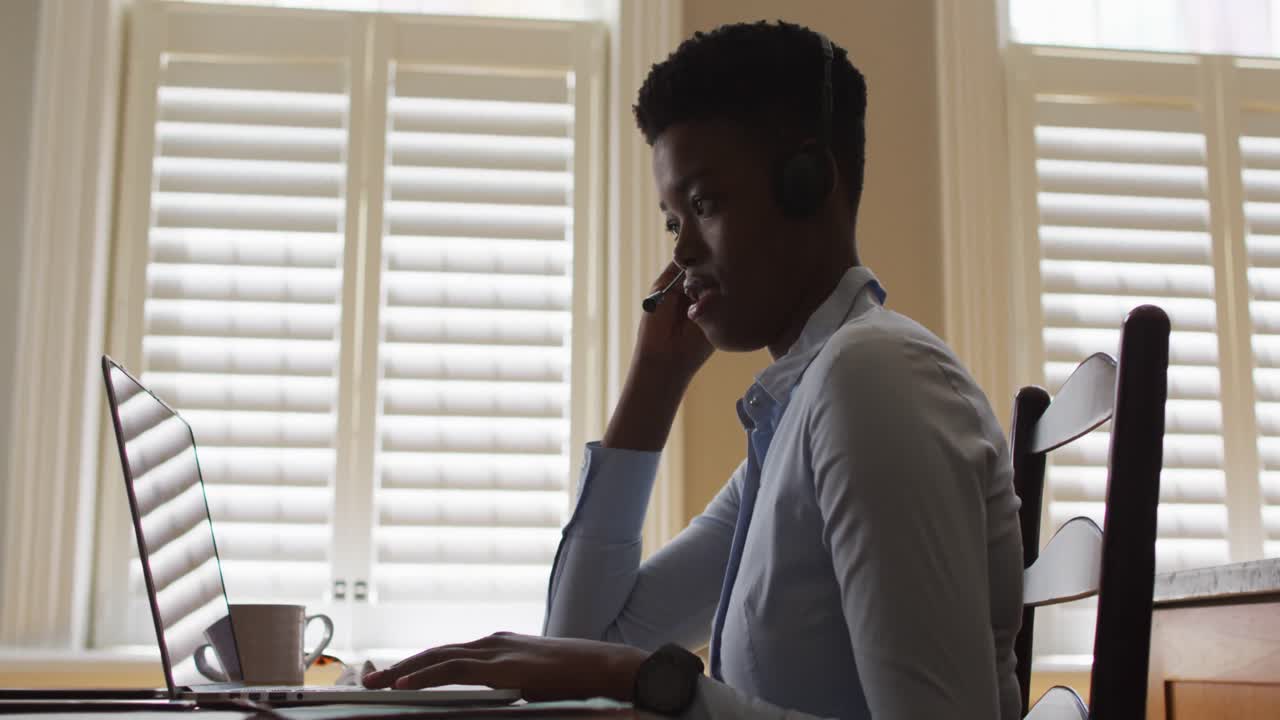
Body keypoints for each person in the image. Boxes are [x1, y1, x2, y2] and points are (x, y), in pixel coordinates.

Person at [363, 20, 1023, 719]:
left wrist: (653, 684)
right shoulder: (797, 417)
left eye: (704, 204)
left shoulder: (875, 379)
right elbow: (582, 646)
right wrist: (655, 379)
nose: (680, 256)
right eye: (672, 221)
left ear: (809, 184)